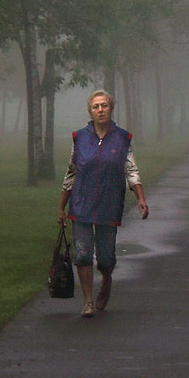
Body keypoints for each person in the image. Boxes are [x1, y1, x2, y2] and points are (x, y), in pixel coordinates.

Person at [57, 90, 149, 318]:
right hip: (82, 203)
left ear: (111, 109)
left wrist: (140, 198)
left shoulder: (122, 138)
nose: (100, 110)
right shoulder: (80, 138)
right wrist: (61, 207)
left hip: (109, 203)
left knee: (106, 258)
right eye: (96, 106)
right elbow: (71, 173)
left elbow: (131, 171)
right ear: (90, 111)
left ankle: (106, 278)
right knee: (83, 255)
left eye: (104, 106)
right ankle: (88, 301)